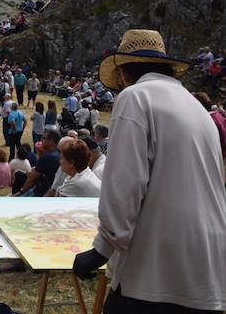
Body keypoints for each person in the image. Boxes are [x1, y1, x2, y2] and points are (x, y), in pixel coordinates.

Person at [74, 29, 226, 312]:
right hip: (209, 262)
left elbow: (125, 184)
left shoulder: (135, 97)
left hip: (158, 264)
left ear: (125, 71)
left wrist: (101, 249)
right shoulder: (196, 107)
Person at [14, 129, 60, 196]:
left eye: (43, 138)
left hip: (42, 192)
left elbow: (32, 179)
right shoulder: (60, 153)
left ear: (51, 141)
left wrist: (21, 192)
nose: (41, 140)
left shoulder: (47, 157)